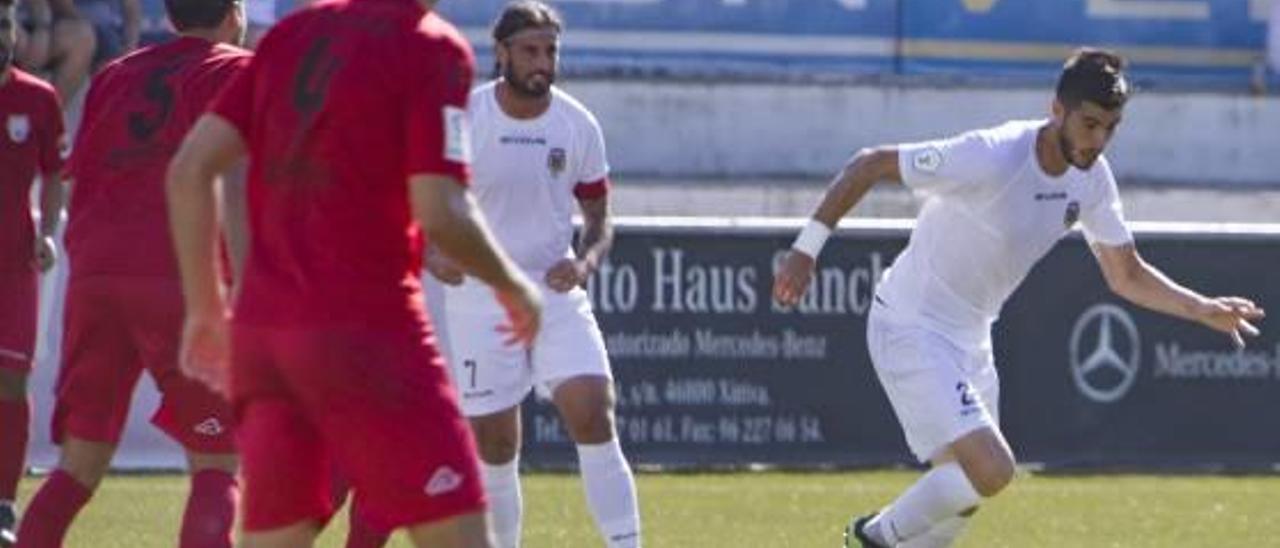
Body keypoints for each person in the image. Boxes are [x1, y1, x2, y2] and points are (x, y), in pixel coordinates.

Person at [772, 48, 1266, 548]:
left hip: (972, 339)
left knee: (959, 501)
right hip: (910, 323)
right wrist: (805, 250)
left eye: (1110, 128)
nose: (1098, 140)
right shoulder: (991, 155)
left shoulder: (1093, 180)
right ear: (1057, 110)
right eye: (1089, 124)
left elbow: (1126, 274)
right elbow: (869, 164)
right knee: (991, 470)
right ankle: (870, 537)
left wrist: (1199, 307)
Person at [165, 0, 542, 545]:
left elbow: (190, 172)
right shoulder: (430, 44)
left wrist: (206, 308)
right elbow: (441, 208)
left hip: (266, 337)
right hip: (370, 329)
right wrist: (511, 283)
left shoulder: (288, 35)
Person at [13, 1, 248, 546]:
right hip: (180, 272)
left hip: (96, 273)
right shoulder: (240, 70)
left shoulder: (116, 73)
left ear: (169, 16)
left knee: (76, 468)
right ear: (235, 13)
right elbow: (240, 182)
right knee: (217, 464)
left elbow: (85, 175)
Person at [425, 3, 641, 547]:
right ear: (501, 53)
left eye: (550, 50)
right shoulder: (465, 118)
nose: (542, 62)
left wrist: (586, 260)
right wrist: (433, 255)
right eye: (530, 50)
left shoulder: (578, 124)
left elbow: (598, 217)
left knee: (593, 411)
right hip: (477, 297)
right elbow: (421, 202)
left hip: (553, 294)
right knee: (495, 445)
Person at [0, 1, 65, 543]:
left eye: (4, 24)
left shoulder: (39, 98)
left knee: (12, 380)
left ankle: (3, 503)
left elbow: (55, 172)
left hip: (14, 261)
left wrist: (47, 232)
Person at [12, 0, 95, 101]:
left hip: (37, 27)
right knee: (19, 45)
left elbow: (69, 13)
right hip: (12, 30)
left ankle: (48, 112)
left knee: (82, 37)